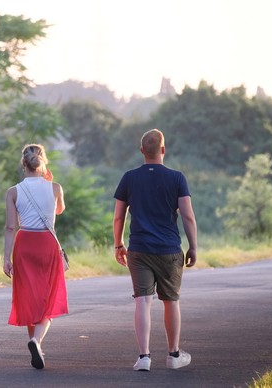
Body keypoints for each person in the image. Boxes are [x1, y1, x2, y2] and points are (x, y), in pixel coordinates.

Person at [112, 128, 197, 372]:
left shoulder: (129, 177)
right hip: (169, 250)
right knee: (171, 301)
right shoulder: (177, 178)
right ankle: (173, 355)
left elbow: (119, 217)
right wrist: (193, 246)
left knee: (142, 301)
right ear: (163, 149)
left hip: (138, 249)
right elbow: (188, 217)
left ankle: (144, 357)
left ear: (142, 151)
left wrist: (118, 244)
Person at [3, 144, 68, 370]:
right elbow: (59, 210)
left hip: (24, 244)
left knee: (29, 296)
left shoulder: (13, 191)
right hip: (47, 244)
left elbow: (10, 227)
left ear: (24, 164)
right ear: (43, 163)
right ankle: (36, 341)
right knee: (48, 298)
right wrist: (49, 180)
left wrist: (6, 258)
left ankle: (35, 343)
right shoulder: (55, 188)